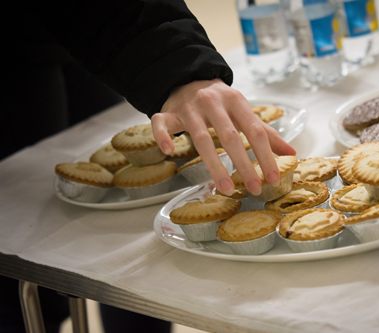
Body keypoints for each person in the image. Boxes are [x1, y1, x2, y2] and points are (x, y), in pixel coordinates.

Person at [2, 0, 295, 332]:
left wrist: (181, 70)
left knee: (123, 241)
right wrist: (181, 70)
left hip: (80, 28)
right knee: (23, 275)